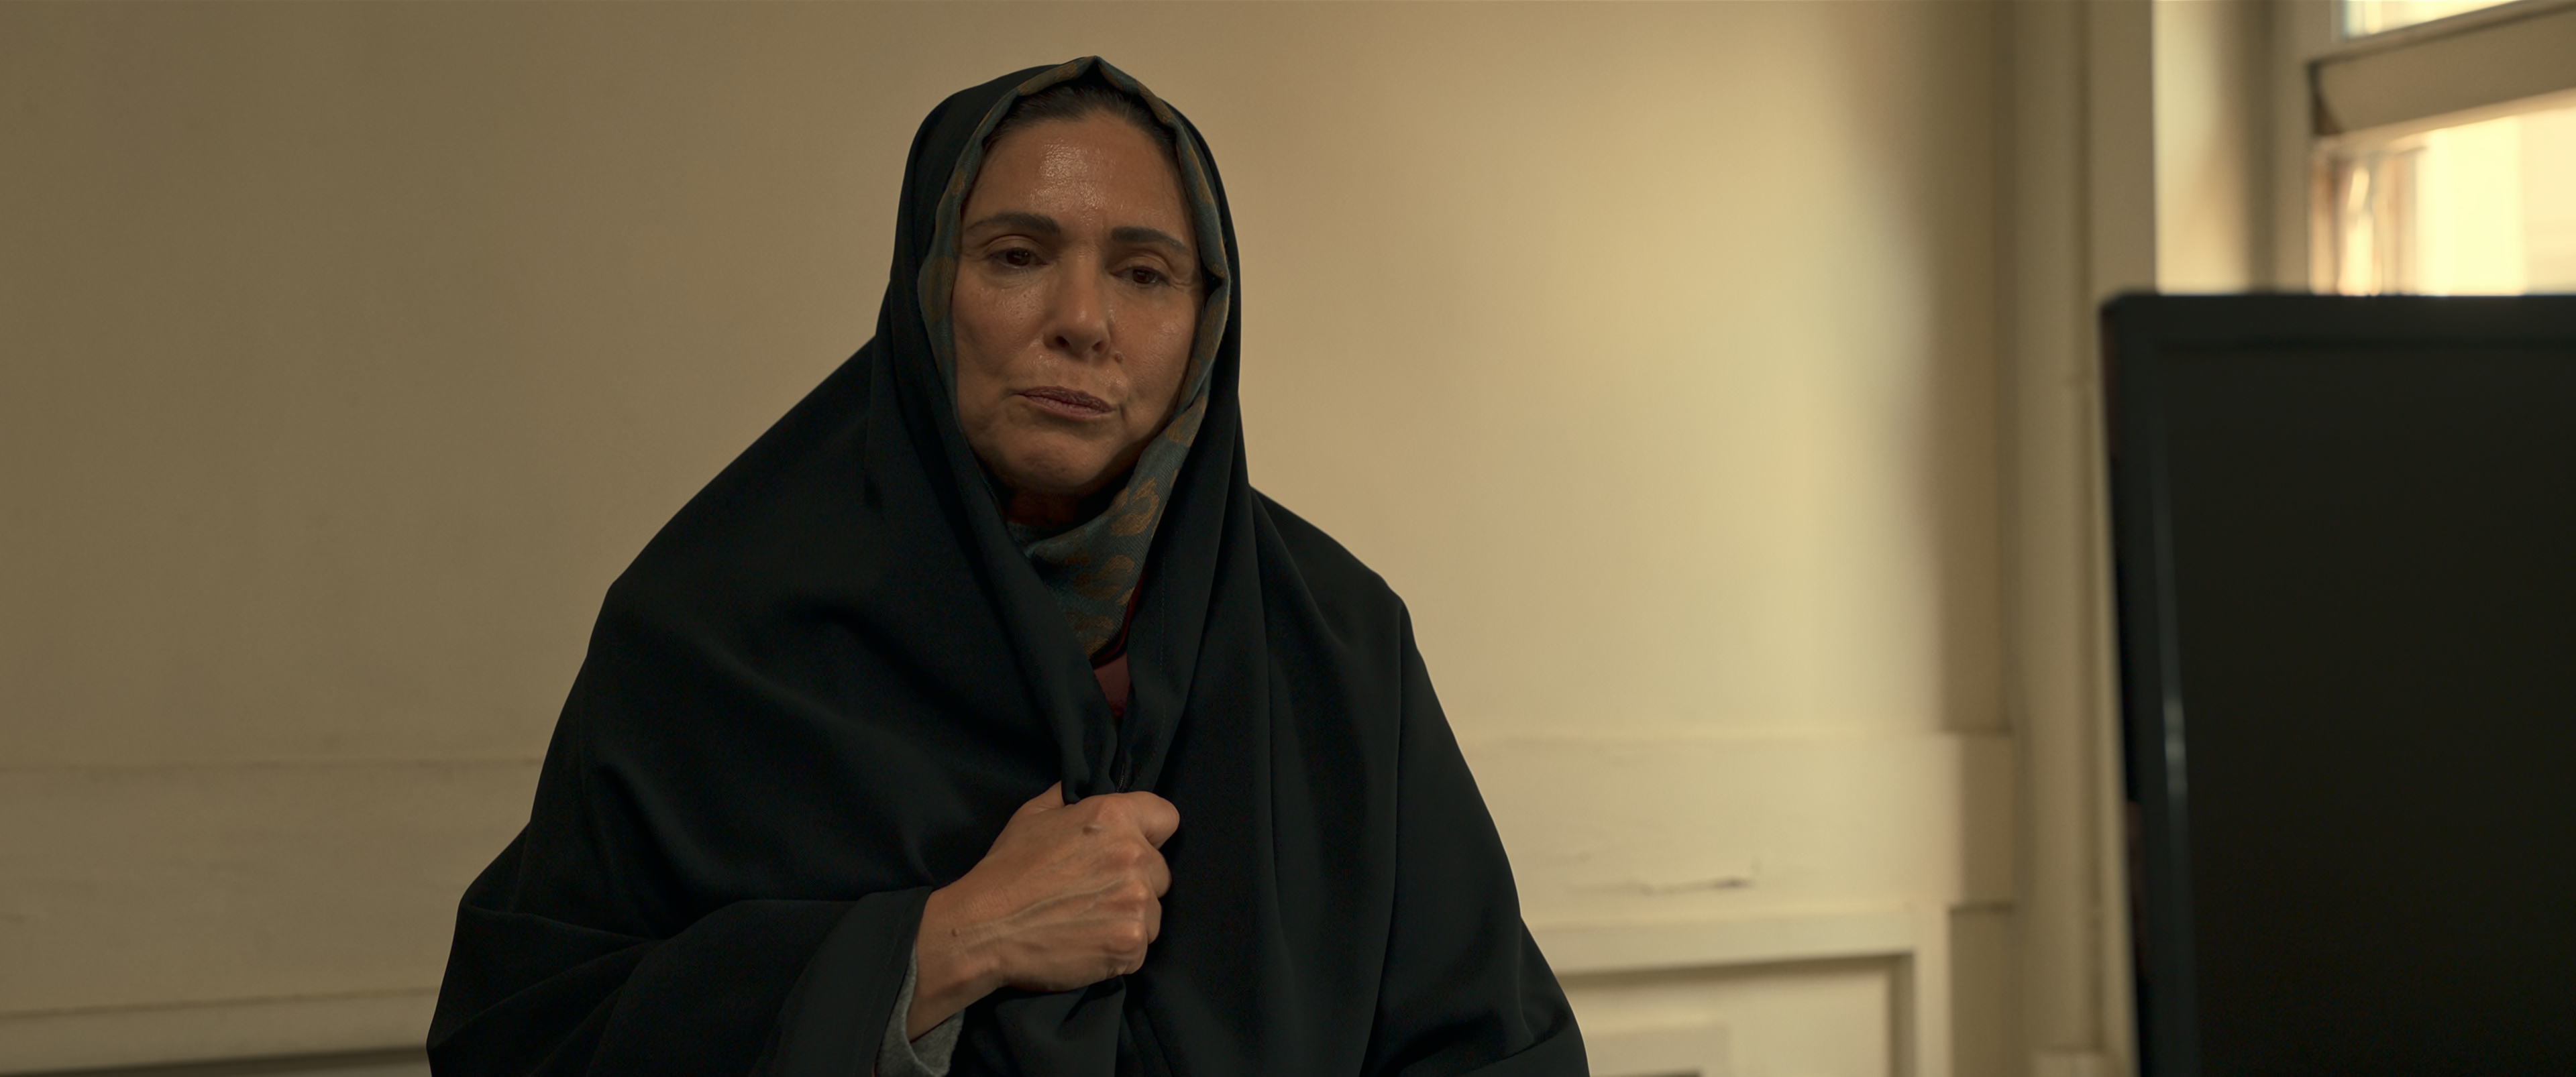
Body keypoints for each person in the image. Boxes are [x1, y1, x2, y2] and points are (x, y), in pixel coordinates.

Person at [429, 57, 1585, 1077]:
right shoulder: (710, 630)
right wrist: (937, 948)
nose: (1082, 318)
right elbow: (524, 1037)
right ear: (928, 287)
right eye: (1019, 255)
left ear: (1208, 323)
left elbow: (1497, 1046)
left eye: (1145, 272)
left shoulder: (1334, 642)